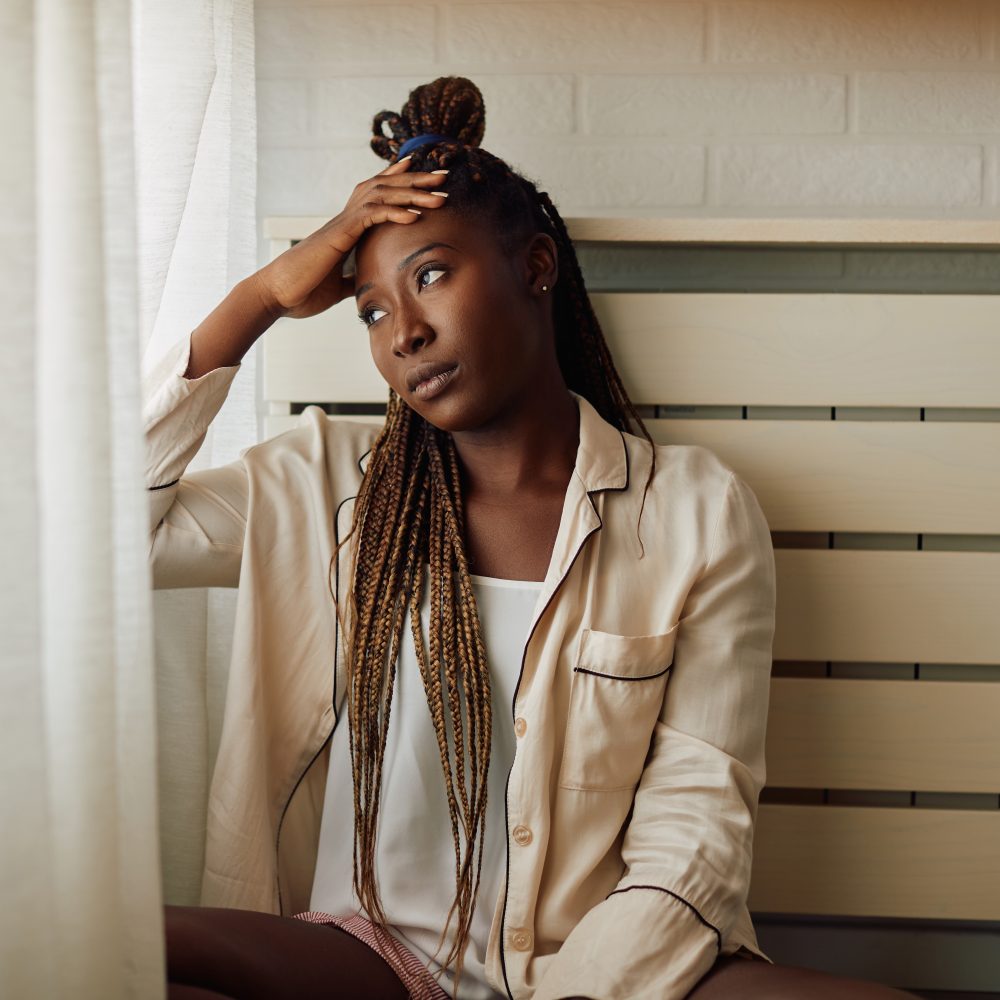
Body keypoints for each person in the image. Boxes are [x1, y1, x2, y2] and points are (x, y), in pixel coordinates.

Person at [154, 78, 920, 1000]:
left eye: (432, 274)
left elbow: (693, 832)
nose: (406, 331)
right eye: (371, 308)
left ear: (537, 266)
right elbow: (84, 542)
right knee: (114, 944)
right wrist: (258, 299)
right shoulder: (323, 486)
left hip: (612, 964)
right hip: (372, 958)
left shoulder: (692, 512)